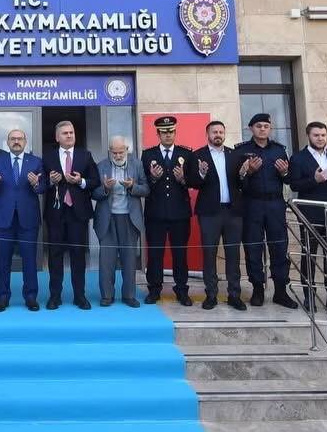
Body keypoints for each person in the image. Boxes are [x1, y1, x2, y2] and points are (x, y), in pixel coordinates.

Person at [288, 121, 327, 315]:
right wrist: (313, 180)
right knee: (310, 257)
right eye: (316, 135)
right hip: (310, 215)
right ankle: (309, 297)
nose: (320, 138)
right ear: (308, 136)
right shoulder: (298, 158)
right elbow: (294, 185)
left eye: (323, 135)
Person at [236, 113, 296, 308]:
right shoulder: (241, 150)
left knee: (279, 247)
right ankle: (258, 290)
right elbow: (236, 182)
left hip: (275, 205)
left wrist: (285, 173)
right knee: (253, 248)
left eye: (266, 126)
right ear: (251, 128)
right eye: (259, 126)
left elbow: (289, 180)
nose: (263, 129)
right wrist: (248, 172)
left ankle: (280, 291)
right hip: (252, 205)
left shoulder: (279, 150)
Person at [187, 120, 248, 311]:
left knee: (233, 254)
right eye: (214, 132)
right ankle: (211, 295)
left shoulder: (234, 155)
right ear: (208, 134)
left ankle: (234, 295)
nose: (218, 135)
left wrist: (245, 174)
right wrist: (202, 173)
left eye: (221, 131)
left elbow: (241, 184)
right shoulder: (198, 155)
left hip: (233, 212)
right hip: (209, 213)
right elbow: (192, 182)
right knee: (209, 254)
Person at [0, 129, 46, 312]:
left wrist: (36, 183)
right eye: (13, 139)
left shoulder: (36, 161)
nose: (16, 141)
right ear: (7, 142)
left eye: (20, 138)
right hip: (2, 219)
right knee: (2, 261)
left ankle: (30, 297)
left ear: (25, 141)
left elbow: (44, 187)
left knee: (30, 260)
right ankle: (2, 297)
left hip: (28, 219)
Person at [42, 121, 99, 310]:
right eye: (65, 133)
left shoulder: (85, 155)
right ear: (57, 137)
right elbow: (41, 185)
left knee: (77, 255)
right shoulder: (48, 157)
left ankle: (79, 295)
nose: (69, 135)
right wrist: (51, 181)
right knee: (55, 255)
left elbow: (95, 181)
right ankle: (55, 296)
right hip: (56, 212)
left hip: (77, 213)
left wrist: (80, 181)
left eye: (72, 132)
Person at [141, 116, 194, 306]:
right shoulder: (148, 155)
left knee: (180, 253)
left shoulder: (185, 154)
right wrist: (153, 179)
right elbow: (142, 183)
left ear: (175, 132)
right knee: (155, 254)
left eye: (171, 131)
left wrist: (182, 180)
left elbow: (194, 180)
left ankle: (181, 289)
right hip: (155, 214)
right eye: (164, 132)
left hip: (179, 214)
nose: (168, 135)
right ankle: (154, 289)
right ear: (158, 134)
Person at [92, 136, 148, 308]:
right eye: (114, 152)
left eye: (120, 152)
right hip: (107, 219)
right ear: (109, 151)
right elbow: (93, 193)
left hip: (130, 218)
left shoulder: (137, 164)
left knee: (129, 259)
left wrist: (132, 186)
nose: (117, 155)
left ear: (127, 149)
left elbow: (146, 189)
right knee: (106, 260)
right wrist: (105, 189)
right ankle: (107, 295)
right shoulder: (101, 166)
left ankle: (129, 295)